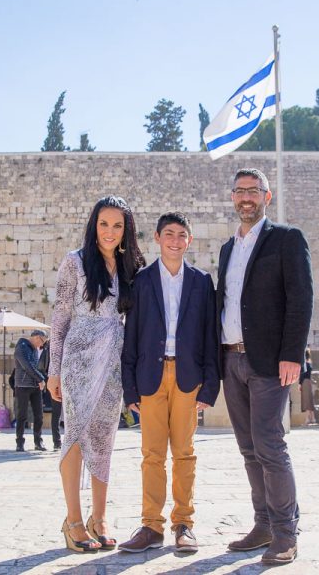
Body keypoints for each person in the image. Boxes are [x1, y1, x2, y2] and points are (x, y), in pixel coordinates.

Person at [216, 168, 313, 566]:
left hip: (271, 361)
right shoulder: (227, 248)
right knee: (248, 448)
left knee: (270, 445)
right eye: (240, 191)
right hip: (231, 358)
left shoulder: (286, 239)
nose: (246, 198)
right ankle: (263, 525)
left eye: (253, 191)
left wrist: (293, 352)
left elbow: (301, 297)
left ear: (267, 197)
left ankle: (286, 532)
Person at [47, 196, 145, 553]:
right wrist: (53, 369)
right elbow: (59, 319)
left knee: (104, 437)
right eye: (104, 224)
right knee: (74, 433)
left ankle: (99, 517)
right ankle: (73, 519)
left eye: (117, 225)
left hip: (114, 361)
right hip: (77, 359)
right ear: (94, 225)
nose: (109, 231)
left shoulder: (131, 267)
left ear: (126, 230)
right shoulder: (74, 262)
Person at [119, 212, 220, 553]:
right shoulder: (141, 281)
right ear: (158, 239)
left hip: (188, 377)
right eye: (169, 234)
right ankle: (151, 526)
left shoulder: (202, 282)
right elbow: (130, 336)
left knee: (185, 453)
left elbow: (210, 334)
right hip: (150, 378)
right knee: (151, 454)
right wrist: (129, 387)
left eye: (181, 235)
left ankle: (184, 524)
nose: (175, 240)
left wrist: (210, 384)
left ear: (189, 240)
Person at [14, 330, 48, 452]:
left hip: (35, 386)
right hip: (22, 386)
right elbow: (27, 366)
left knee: (39, 415)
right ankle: (19, 442)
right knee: (22, 415)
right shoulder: (21, 347)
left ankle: (38, 442)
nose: (42, 345)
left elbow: (35, 367)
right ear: (36, 337)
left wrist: (39, 379)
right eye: (42, 341)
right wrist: (41, 379)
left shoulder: (34, 349)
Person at [37, 338, 63, 450]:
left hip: (52, 382)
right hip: (59, 382)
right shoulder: (57, 347)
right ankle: (59, 442)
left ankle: (57, 442)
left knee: (56, 414)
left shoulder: (48, 347)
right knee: (58, 414)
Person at [299, 348, 316, 425]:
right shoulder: (309, 363)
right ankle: (312, 418)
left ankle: (308, 419)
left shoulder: (305, 364)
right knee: (309, 400)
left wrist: (299, 384)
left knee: (306, 400)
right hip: (309, 382)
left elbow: (302, 375)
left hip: (305, 382)